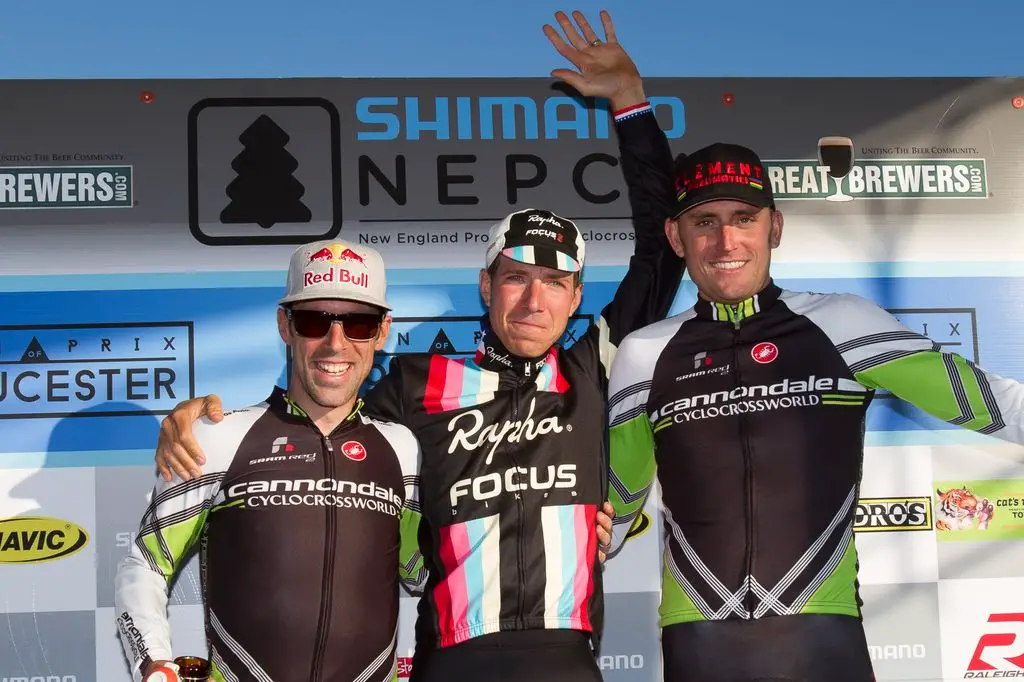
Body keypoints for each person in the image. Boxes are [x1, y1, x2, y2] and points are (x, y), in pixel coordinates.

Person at [147, 20, 688, 679]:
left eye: (553, 283)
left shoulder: (593, 369)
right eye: (516, 278)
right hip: (447, 661)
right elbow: (316, 406)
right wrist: (198, 418)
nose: (533, 300)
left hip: (565, 660)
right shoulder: (413, 383)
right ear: (487, 286)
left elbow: (662, 250)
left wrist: (631, 104)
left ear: (576, 298)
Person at [548, 12, 1024, 681]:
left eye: (743, 219)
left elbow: (990, 402)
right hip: (698, 642)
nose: (725, 240)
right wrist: (595, 530)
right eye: (704, 223)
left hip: (820, 640)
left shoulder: (843, 323)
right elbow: (620, 500)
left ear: (775, 228)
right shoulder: (644, 353)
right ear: (679, 241)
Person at [114, 240, 426, 682]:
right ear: (285, 325)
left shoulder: (403, 449)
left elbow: (427, 573)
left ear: (382, 331)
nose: (335, 343)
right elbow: (147, 562)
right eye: (314, 320)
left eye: (357, 322)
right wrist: (155, 663)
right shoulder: (217, 437)